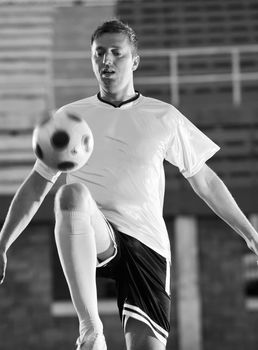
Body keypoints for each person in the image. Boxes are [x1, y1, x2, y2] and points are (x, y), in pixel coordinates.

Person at [0, 19, 258, 350]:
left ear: (134, 60)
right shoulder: (69, 119)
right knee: (71, 194)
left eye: (116, 53)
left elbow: (205, 181)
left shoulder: (163, 116)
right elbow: (37, 186)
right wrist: (3, 241)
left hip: (147, 245)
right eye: (99, 54)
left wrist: (250, 234)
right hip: (96, 233)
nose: (106, 61)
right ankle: (90, 330)